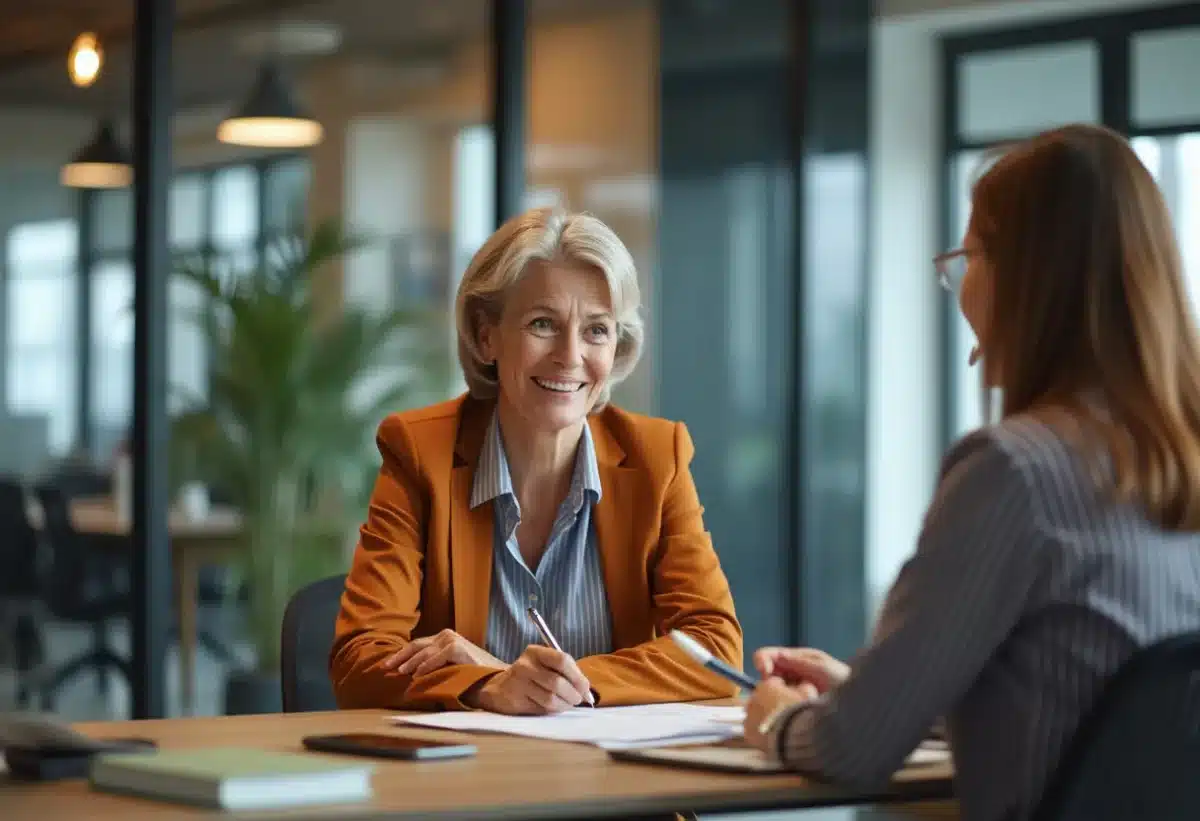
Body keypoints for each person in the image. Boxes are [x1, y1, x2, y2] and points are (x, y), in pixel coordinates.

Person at [742, 123, 1200, 821]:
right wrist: (883, 690)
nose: (960, 286)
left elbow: (848, 750)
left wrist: (776, 718)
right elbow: (1088, 705)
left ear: (1026, 277)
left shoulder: (1014, 472)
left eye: (968, 254)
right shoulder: (1179, 461)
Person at [331, 206, 743, 714]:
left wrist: (557, 684)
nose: (570, 357)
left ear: (617, 347)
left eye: (596, 330)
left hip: (615, 781)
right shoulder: (421, 454)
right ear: (487, 336)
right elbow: (358, 660)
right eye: (543, 324)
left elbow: (715, 649)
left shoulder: (658, 458)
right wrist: (485, 687)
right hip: (463, 780)